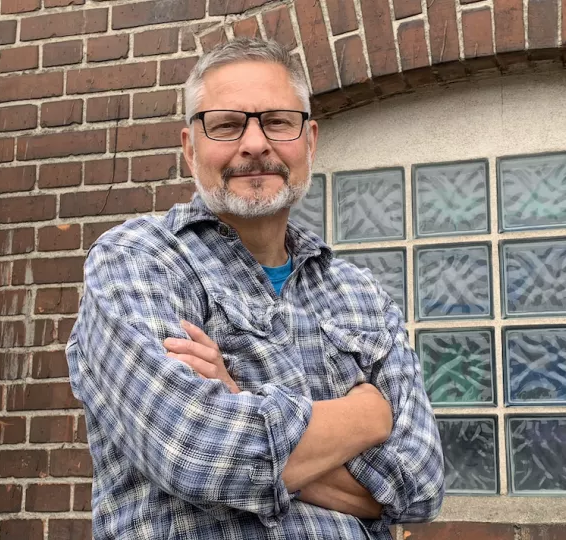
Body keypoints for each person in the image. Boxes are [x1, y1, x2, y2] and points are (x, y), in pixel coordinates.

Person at [66, 37, 445, 539]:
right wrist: (367, 415)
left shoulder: (360, 294)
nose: (254, 144)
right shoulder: (137, 260)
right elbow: (193, 450)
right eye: (226, 124)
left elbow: (422, 486)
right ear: (189, 147)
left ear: (309, 140)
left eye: (278, 121)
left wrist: (238, 397)